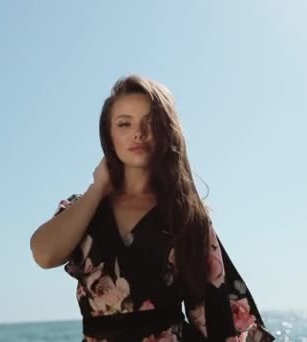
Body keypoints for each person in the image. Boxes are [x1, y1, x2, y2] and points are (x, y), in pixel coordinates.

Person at [30, 75, 274, 342]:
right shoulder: (85, 207)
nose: (138, 133)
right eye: (124, 123)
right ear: (109, 135)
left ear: (166, 131)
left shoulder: (185, 217)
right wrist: (97, 188)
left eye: (151, 123)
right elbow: (44, 254)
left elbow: (213, 315)